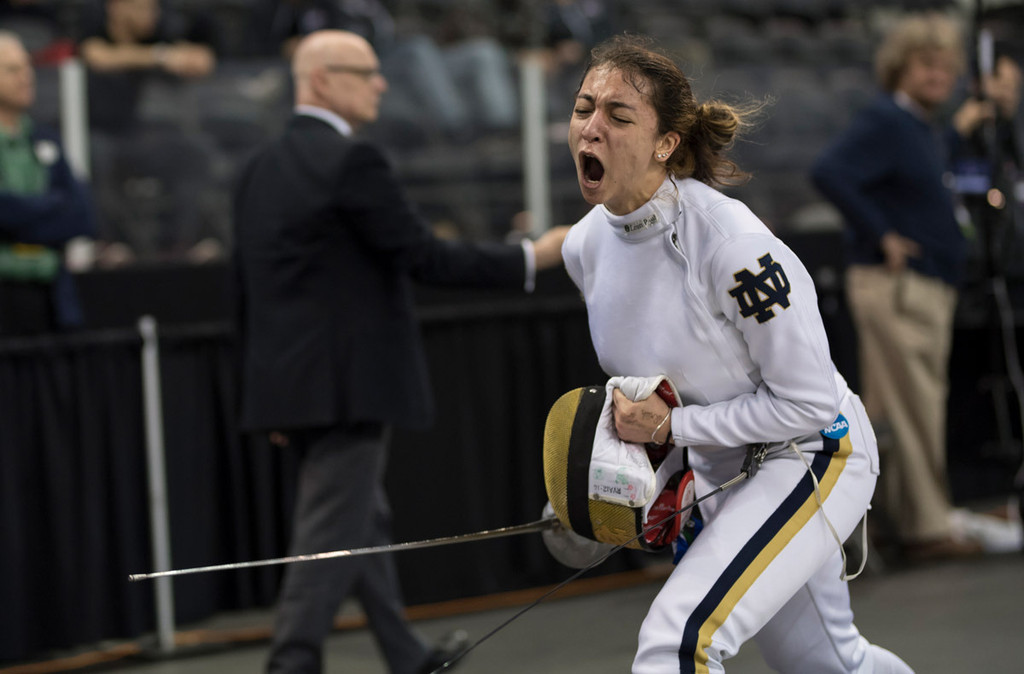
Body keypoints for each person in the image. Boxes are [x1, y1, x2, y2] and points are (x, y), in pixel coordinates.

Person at [560, 34, 912, 673]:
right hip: (725, 473)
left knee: (679, 642)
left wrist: (676, 428)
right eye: (584, 108)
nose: (591, 128)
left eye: (618, 115)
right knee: (830, 665)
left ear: (666, 143)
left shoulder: (733, 245)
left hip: (816, 455)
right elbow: (659, 393)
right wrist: (625, 471)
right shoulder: (584, 248)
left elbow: (807, 403)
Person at [231, 29, 568, 674]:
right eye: (366, 71)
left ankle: (405, 655)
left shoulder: (257, 167)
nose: (381, 83)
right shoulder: (352, 161)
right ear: (323, 80)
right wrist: (533, 255)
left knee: (363, 520)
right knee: (332, 529)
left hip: (288, 383)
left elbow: (244, 288)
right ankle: (290, 660)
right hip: (349, 384)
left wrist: (263, 394)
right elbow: (424, 255)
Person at [810, 13, 1018, 563]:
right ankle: (925, 530)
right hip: (899, 286)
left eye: (947, 68)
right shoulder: (886, 119)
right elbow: (829, 170)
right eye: (927, 65)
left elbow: (921, 168)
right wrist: (884, 236)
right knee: (912, 411)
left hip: (923, 288)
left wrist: (966, 124)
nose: (939, 76)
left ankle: (886, 527)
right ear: (899, 67)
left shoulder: (919, 128)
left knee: (896, 413)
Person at [79, 0, 217, 262]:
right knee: (97, 155)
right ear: (116, 8)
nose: (152, 16)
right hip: (96, 131)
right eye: (142, 8)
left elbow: (200, 59)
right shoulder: (93, 29)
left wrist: (192, 57)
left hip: (137, 133)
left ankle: (179, 241)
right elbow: (98, 56)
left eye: (153, 8)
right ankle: (109, 243)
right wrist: (160, 56)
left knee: (191, 151)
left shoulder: (158, 34)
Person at [0, 30, 95, 335]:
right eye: (13, 69)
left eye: (28, 66)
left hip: (51, 300)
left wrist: (16, 222)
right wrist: (52, 205)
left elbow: (82, 214)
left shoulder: (46, 139)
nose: (26, 76)